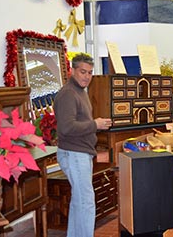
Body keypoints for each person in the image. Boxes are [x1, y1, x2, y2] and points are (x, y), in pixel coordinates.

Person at [54, 53, 112, 237]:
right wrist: (96, 124)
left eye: (89, 72)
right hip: (74, 153)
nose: (86, 76)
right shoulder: (68, 94)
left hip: (81, 153)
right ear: (73, 70)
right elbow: (66, 127)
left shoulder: (80, 92)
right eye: (82, 72)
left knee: (79, 201)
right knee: (86, 202)